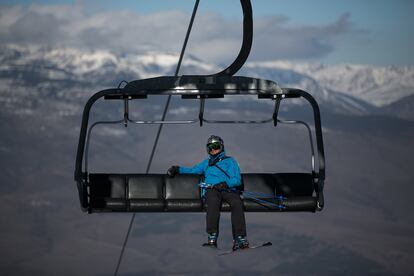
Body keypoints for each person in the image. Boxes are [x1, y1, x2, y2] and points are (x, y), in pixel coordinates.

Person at [167, 135, 249, 250]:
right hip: (212, 189)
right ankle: (212, 236)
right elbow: (193, 170)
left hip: (227, 189)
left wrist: (225, 184)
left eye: (216, 146)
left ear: (222, 147)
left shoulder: (230, 162)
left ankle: (239, 237)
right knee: (213, 201)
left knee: (237, 202)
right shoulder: (206, 163)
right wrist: (177, 169)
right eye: (210, 147)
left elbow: (236, 179)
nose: (213, 150)